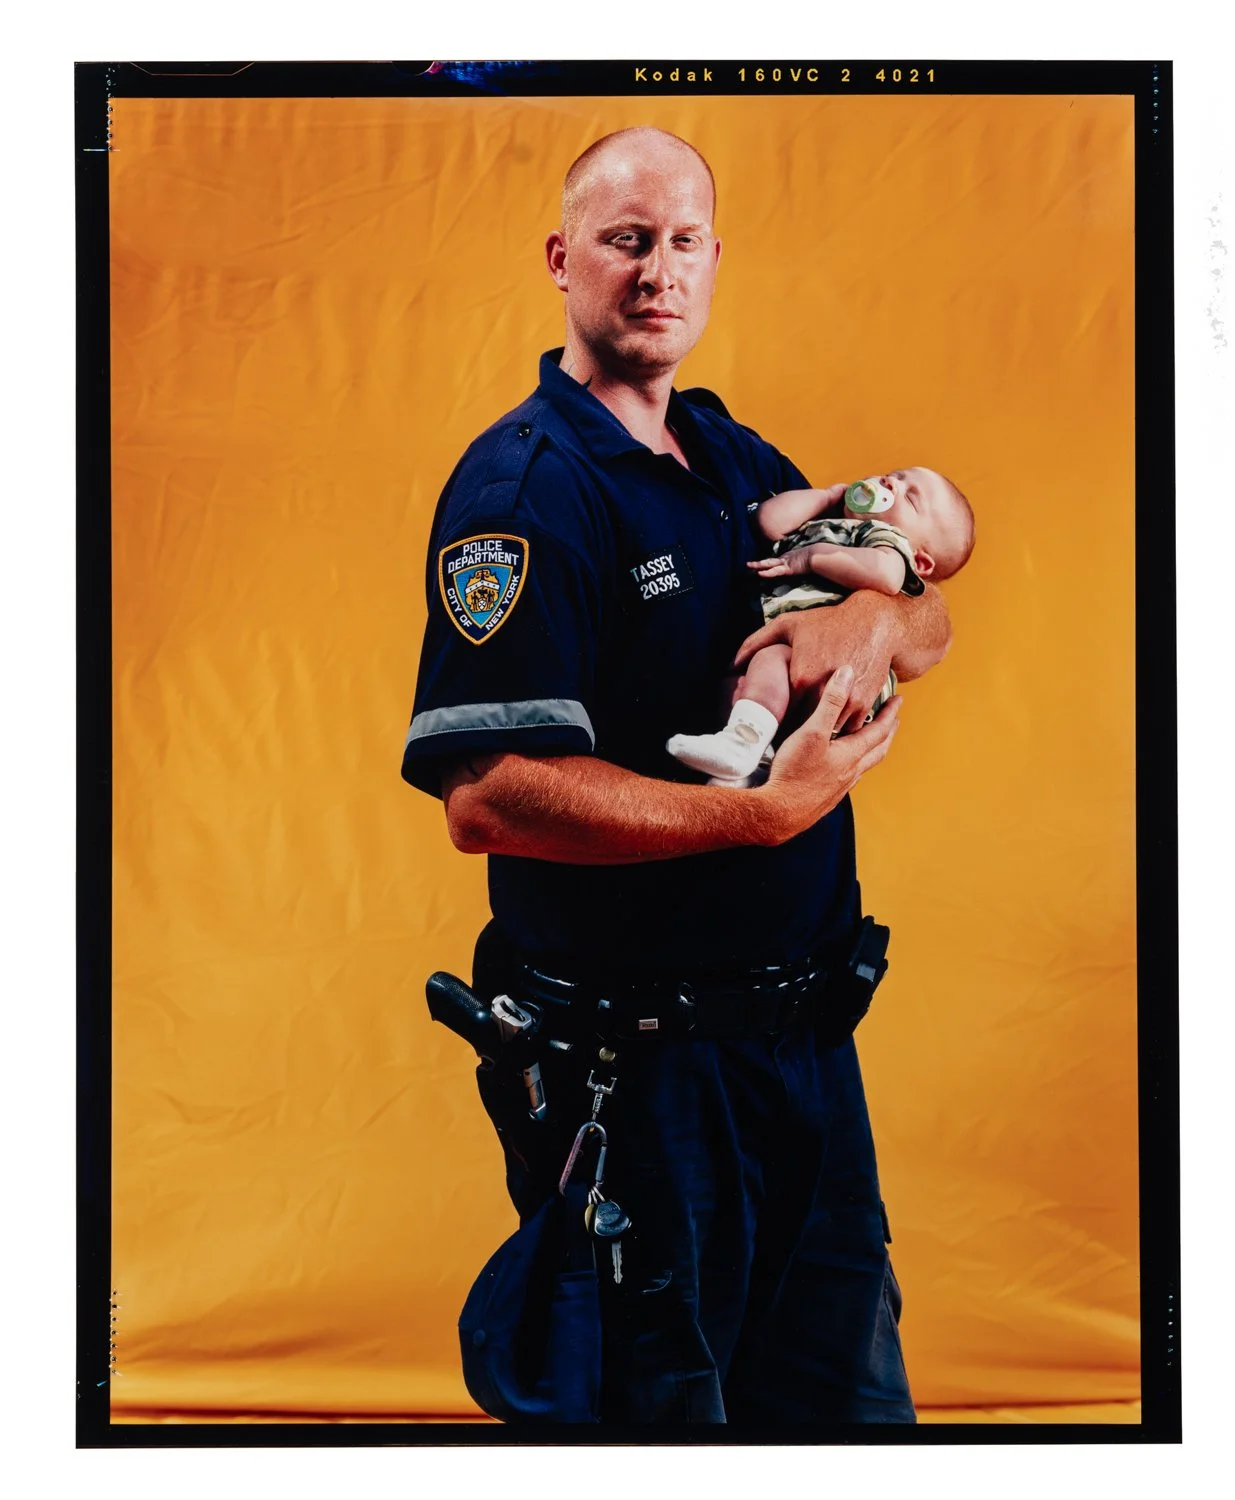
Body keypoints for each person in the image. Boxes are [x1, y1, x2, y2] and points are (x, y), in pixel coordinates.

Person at [402, 126, 952, 1425]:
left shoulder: (727, 463)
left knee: (837, 1416)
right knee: (653, 1426)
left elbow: (919, 608)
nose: (657, 270)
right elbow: (487, 795)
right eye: (625, 239)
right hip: (638, 1081)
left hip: (803, 1053)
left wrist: (866, 625)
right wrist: (751, 815)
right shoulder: (526, 490)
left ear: (713, 260)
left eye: (682, 242)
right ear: (562, 259)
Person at [667, 468, 975, 783]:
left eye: (910, 498)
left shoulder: (885, 539)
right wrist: (827, 496)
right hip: (791, 654)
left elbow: (887, 574)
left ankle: (740, 745)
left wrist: (811, 557)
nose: (891, 483)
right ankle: (746, 768)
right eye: (894, 475)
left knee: (769, 661)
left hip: (830, 667)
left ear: (921, 562)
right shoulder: (827, 523)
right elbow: (768, 521)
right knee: (733, 686)